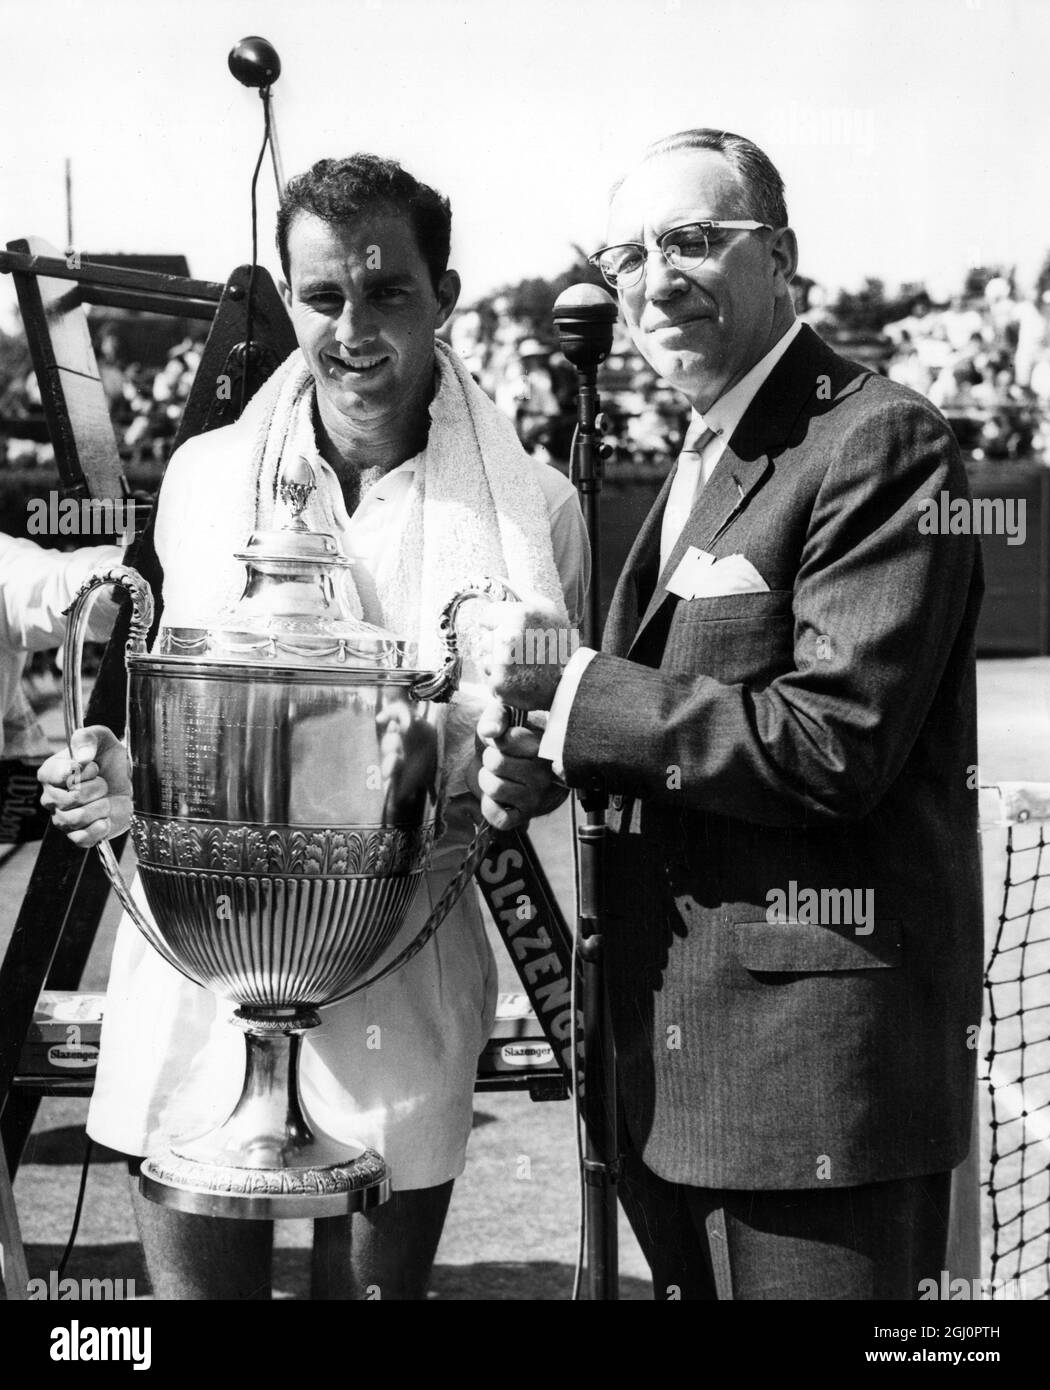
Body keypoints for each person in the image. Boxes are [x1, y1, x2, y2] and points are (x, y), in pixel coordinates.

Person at [39, 154, 587, 1300]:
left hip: (401, 953)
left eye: (387, 293)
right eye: (322, 296)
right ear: (289, 296)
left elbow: (541, 745)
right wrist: (121, 773)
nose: (352, 330)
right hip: (201, 957)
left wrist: (523, 774)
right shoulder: (204, 474)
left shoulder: (538, 508)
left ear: (446, 293)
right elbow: (193, 725)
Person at [477, 128, 984, 1300]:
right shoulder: (707, 453)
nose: (657, 279)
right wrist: (560, 757)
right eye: (630, 253)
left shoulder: (878, 438)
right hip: (670, 1075)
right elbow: (685, 725)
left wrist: (575, 699)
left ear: (782, 258)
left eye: (695, 240)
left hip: (813, 1096)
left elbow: (833, 744)